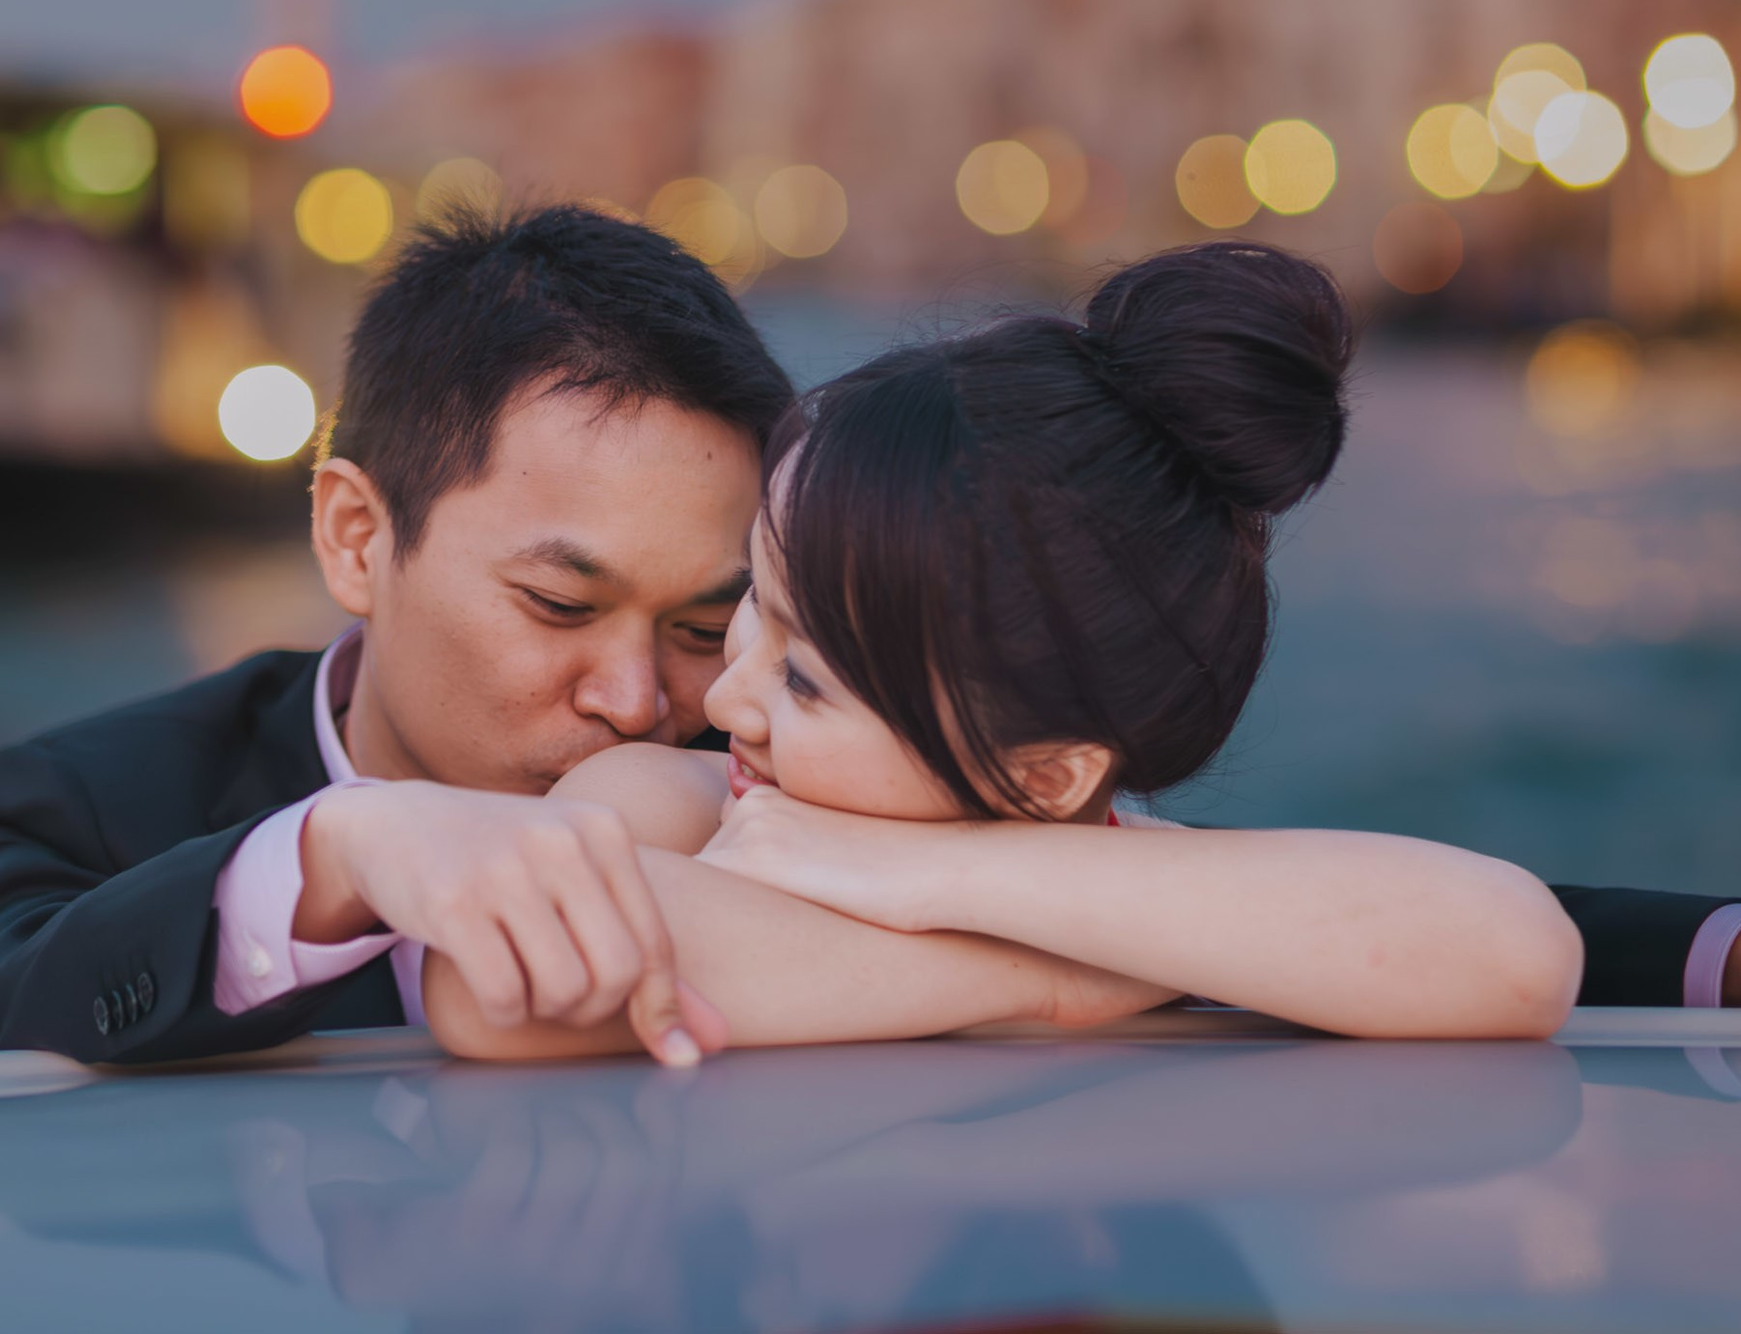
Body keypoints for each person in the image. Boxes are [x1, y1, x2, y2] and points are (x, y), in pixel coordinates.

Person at [0, 206, 1741, 1067]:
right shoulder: (69, 801)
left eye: (729, 622)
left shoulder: (774, 773)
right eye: (560, 604)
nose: (665, 695)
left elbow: (1429, 918)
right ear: (354, 531)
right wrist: (344, 849)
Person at [425, 242, 1576, 1055]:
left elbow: (1518, 954)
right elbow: (491, 987)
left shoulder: (1131, 883)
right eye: (755, 608)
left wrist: (934, 876)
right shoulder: (670, 805)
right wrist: (1058, 977)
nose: (727, 696)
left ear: (1047, 775)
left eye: (806, 679)